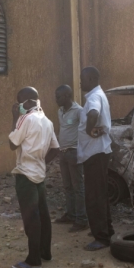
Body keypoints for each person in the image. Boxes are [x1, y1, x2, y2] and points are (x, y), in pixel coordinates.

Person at [8, 87, 60, 268]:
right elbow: (55, 149)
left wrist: (14, 117)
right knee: (43, 215)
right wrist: (41, 162)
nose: (18, 105)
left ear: (28, 101)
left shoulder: (26, 119)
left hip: (25, 175)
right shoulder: (47, 121)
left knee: (31, 218)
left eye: (19, 101)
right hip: (39, 173)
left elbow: (12, 144)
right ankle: (45, 252)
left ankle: (33, 259)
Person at [77, 67, 114, 251]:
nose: (80, 82)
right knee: (101, 194)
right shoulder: (98, 94)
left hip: (95, 154)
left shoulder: (94, 97)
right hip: (98, 153)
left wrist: (89, 131)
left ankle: (101, 237)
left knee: (94, 197)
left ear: (91, 79)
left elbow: (93, 114)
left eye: (82, 79)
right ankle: (106, 231)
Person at [54, 85, 87, 232]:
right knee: (67, 187)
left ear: (67, 96)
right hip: (63, 152)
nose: (56, 99)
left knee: (78, 187)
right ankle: (71, 214)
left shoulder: (79, 111)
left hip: (74, 153)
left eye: (59, 96)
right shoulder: (60, 111)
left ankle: (81, 219)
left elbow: (85, 131)